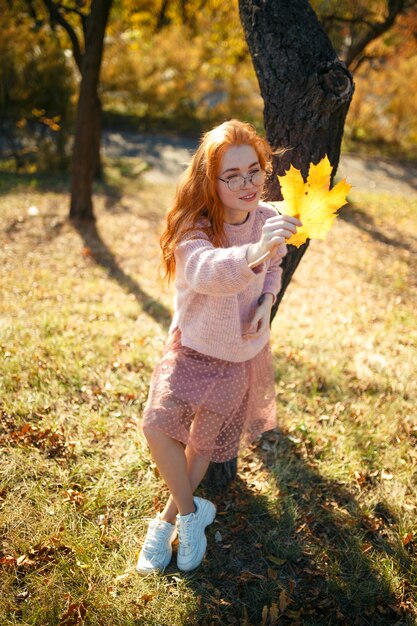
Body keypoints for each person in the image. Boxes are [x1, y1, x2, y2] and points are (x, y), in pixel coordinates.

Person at [137, 119, 302, 575]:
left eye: (255, 170)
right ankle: (192, 514)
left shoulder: (268, 218)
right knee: (156, 427)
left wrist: (268, 299)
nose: (248, 183)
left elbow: (274, 266)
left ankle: (169, 521)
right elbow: (205, 271)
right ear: (211, 180)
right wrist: (254, 252)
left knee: (202, 444)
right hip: (192, 346)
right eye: (233, 175)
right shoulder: (197, 226)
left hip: (240, 353)